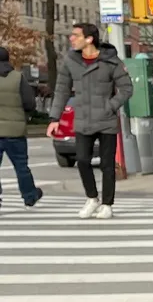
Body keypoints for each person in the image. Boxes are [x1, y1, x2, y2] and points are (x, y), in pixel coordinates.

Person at [46, 22, 133, 221]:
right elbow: (61, 90)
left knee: (107, 165)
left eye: (75, 35)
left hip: (106, 120)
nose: (71, 38)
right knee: (83, 161)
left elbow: (127, 89)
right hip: (83, 119)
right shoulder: (71, 61)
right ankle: (92, 197)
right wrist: (54, 118)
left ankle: (107, 204)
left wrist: (109, 106)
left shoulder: (111, 61)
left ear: (89, 39)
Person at [0, 46, 42, 209]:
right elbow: (29, 103)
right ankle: (29, 195)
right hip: (15, 130)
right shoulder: (18, 77)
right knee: (21, 165)